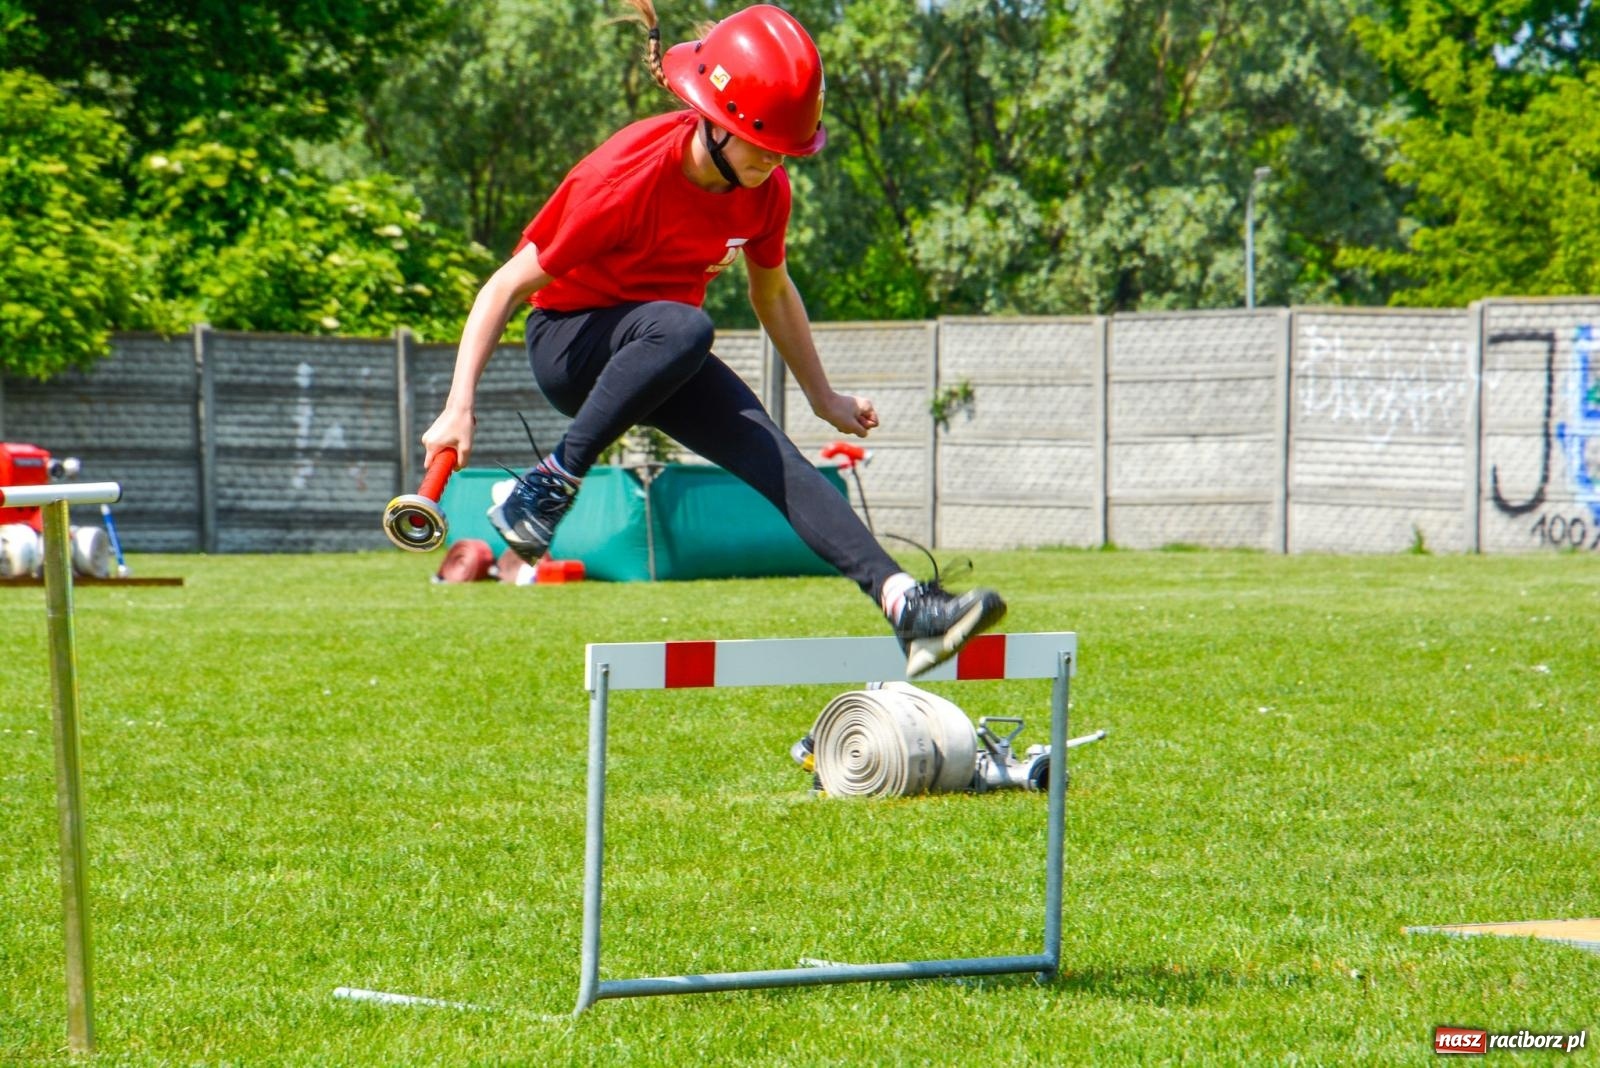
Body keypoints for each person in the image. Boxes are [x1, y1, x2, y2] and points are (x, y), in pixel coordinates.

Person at [420, 1, 1005, 676]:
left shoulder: (766, 192)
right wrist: (458, 406)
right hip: (571, 343)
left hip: (660, 351)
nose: (773, 164)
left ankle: (907, 606)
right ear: (716, 121)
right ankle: (546, 487)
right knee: (687, 324)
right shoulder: (619, 181)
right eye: (763, 147)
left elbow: (773, 292)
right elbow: (503, 288)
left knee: (779, 459)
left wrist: (824, 396)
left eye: (786, 152)